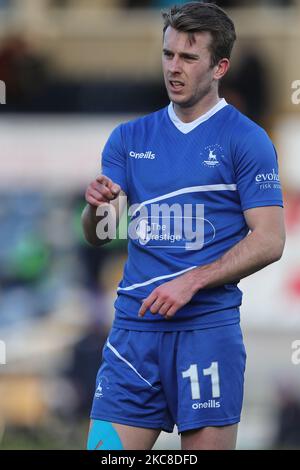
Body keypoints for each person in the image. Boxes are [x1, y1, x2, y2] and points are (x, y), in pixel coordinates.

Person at [82, 2, 285, 450]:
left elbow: (271, 239)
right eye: (168, 55)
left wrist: (193, 281)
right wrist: (97, 207)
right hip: (133, 335)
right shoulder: (128, 138)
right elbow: (99, 233)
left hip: (206, 335)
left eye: (189, 58)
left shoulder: (246, 140)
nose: (174, 68)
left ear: (220, 67)